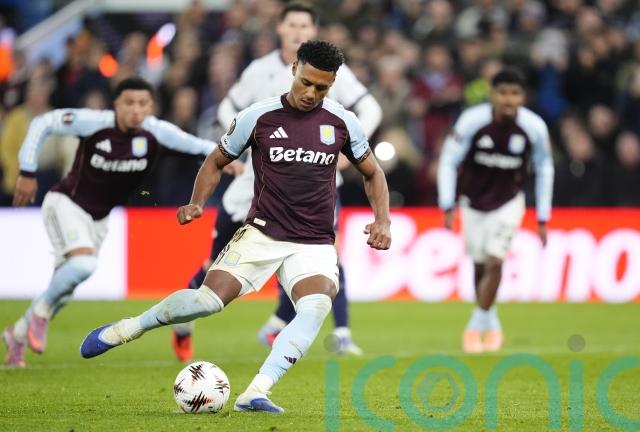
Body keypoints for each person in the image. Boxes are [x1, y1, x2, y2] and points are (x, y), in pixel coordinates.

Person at [80, 40, 391, 414]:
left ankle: (256, 392)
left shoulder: (342, 122)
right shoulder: (258, 117)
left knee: (315, 306)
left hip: (314, 242)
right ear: (294, 69)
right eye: (306, 82)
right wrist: (197, 202)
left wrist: (382, 219)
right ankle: (130, 327)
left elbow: (373, 173)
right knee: (206, 302)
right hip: (262, 234)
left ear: (333, 84)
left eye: (321, 88)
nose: (311, 93)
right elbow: (215, 161)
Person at [170, 1, 383, 362]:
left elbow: (370, 109)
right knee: (216, 265)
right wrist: (239, 145)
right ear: (281, 30)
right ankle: (185, 318)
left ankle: (332, 331)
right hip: (256, 181)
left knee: (320, 255)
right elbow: (228, 108)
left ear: (313, 32)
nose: (298, 31)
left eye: (305, 26)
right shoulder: (259, 70)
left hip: (313, 180)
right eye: (292, 25)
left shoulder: (333, 71)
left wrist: (347, 153)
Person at [2, 77, 216, 368]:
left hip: (99, 220)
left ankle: (16, 334)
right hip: (65, 203)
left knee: (63, 291)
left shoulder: (157, 132)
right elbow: (43, 122)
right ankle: (40, 314)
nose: (136, 110)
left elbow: (202, 146)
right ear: (117, 104)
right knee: (83, 265)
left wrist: (233, 158)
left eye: (142, 103)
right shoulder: (94, 122)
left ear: (151, 107)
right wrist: (28, 171)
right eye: (129, 103)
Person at [437, 68, 554, 353]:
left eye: (515, 94)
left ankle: (475, 324)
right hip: (473, 203)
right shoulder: (472, 121)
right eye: (503, 93)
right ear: (492, 94)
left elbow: (544, 168)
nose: (508, 100)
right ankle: (491, 319)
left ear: (523, 97)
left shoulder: (534, 127)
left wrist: (543, 216)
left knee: (495, 261)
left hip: (509, 202)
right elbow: (449, 159)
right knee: (479, 266)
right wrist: (448, 203)